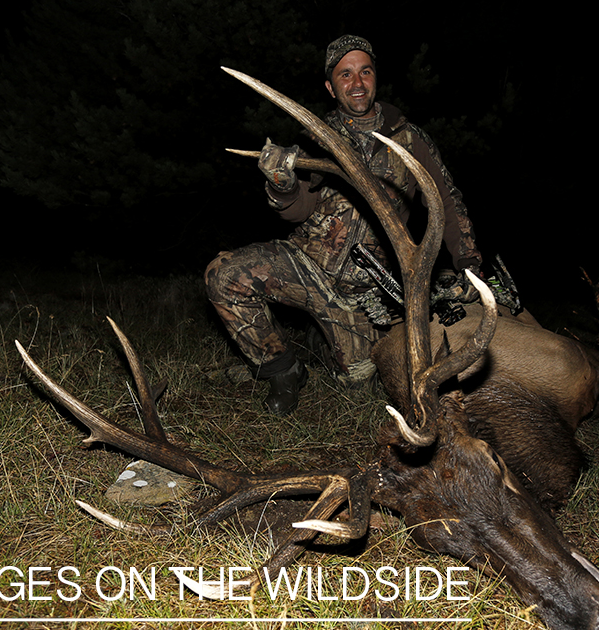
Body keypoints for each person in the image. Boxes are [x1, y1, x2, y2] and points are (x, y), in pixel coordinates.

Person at [205, 35, 482, 414]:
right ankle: (283, 370)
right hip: (308, 265)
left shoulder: (411, 138)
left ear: (375, 78)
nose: (357, 82)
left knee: (357, 389)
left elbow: (448, 201)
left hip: (366, 294)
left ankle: (325, 342)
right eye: (345, 74)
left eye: (364, 72)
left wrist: (468, 264)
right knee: (225, 275)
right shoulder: (318, 135)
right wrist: (282, 187)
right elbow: (297, 210)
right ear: (330, 87)